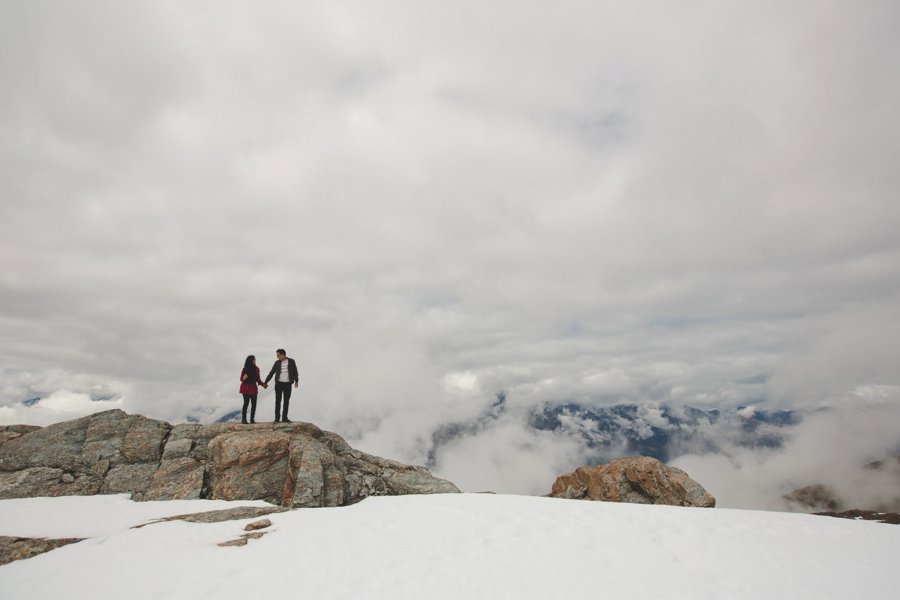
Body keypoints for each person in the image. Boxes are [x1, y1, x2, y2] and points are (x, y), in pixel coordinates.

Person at [264, 348, 298, 423]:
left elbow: (295, 371)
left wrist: (296, 381)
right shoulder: (277, 363)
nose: (277, 357)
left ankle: (284, 418)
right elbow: (271, 373)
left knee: (286, 401)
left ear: (283, 355)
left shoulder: (291, 361)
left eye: (278, 355)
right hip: (279, 384)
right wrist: (266, 382)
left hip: (288, 384)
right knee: (278, 401)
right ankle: (277, 418)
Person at [239, 355, 267, 424]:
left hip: (253, 388)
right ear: (250, 360)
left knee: (254, 404)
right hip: (245, 388)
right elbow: (241, 379)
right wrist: (243, 378)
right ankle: (244, 419)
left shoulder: (257, 369)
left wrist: (263, 384)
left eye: (255, 359)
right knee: (246, 403)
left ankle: (252, 419)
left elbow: (258, 379)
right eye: (254, 359)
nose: (255, 361)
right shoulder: (245, 369)